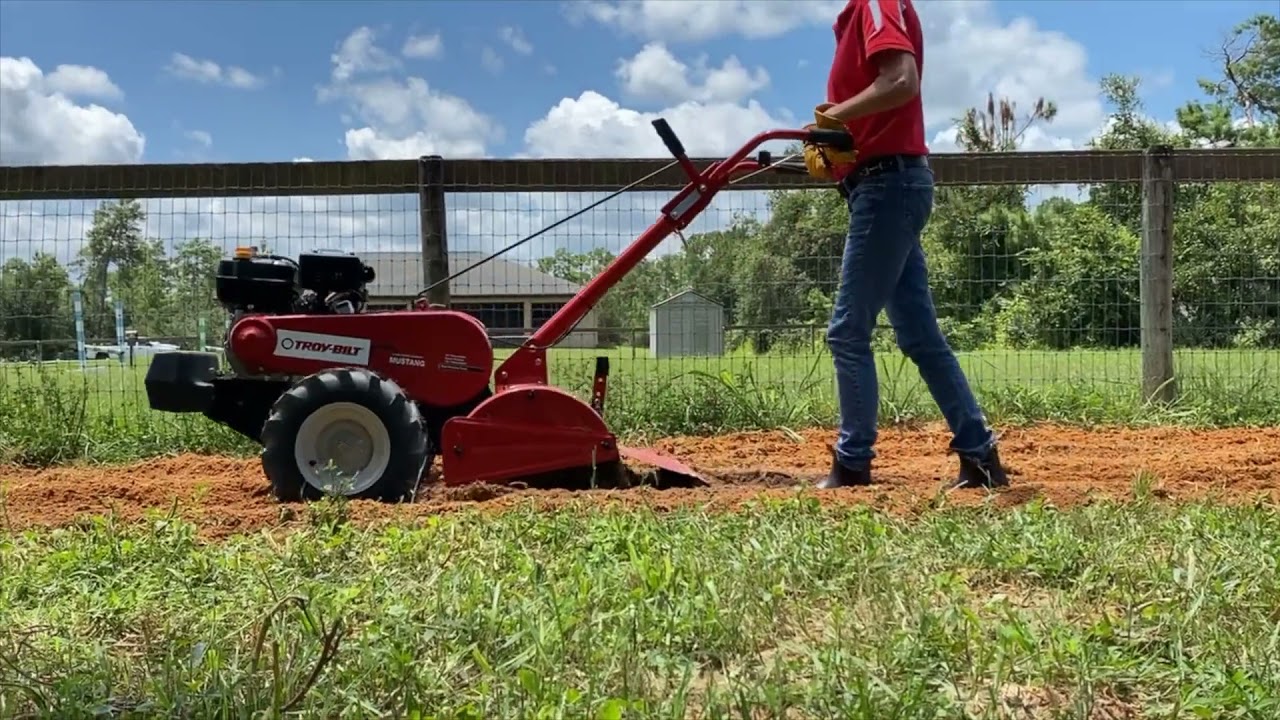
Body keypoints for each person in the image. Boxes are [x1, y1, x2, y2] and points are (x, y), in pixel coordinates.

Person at [804, 0, 1010, 490]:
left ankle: (852, 462)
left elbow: (901, 81)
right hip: (883, 184)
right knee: (919, 335)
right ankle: (980, 457)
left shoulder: (877, 3)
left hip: (887, 184)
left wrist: (833, 118)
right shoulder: (859, 15)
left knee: (847, 331)